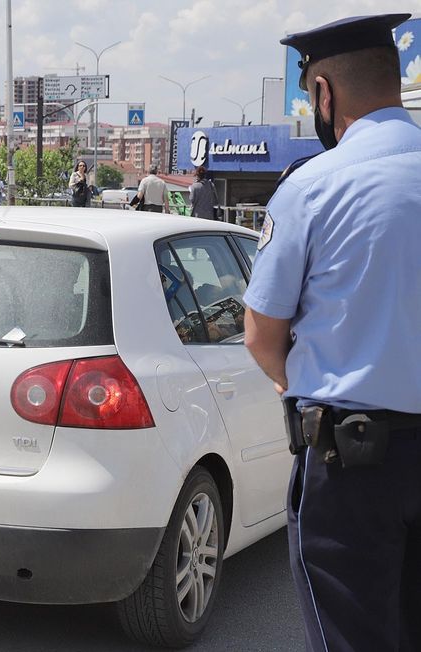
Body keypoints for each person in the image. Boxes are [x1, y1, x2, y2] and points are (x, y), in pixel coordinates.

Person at [242, 15, 421, 651]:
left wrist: (320, 383)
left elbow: (262, 335)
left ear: (324, 93)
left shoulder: (313, 186)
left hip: (353, 464)